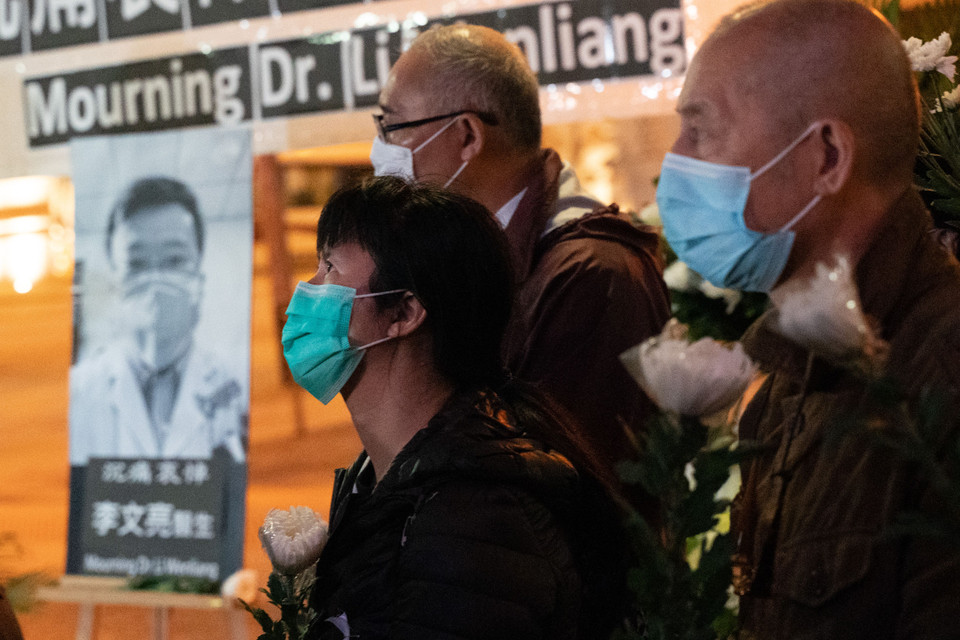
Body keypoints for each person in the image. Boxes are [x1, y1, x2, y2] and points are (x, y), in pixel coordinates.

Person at [655, 1, 960, 637]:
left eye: (702, 131)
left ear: (825, 156)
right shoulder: (788, 379)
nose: (676, 160)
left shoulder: (940, 375)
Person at [282, 177, 628, 640]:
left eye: (331, 269)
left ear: (405, 312)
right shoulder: (394, 477)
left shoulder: (473, 521)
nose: (307, 289)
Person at [370, 24, 671, 479]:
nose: (380, 150)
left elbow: (557, 485)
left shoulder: (592, 275)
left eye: (393, 126)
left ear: (468, 136)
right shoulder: (473, 252)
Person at [69, 176, 246, 464]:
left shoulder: (234, 388)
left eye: (174, 260)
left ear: (199, 278)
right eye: (136, 264)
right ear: (115, 280)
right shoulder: (81, 389)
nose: (156, 280)